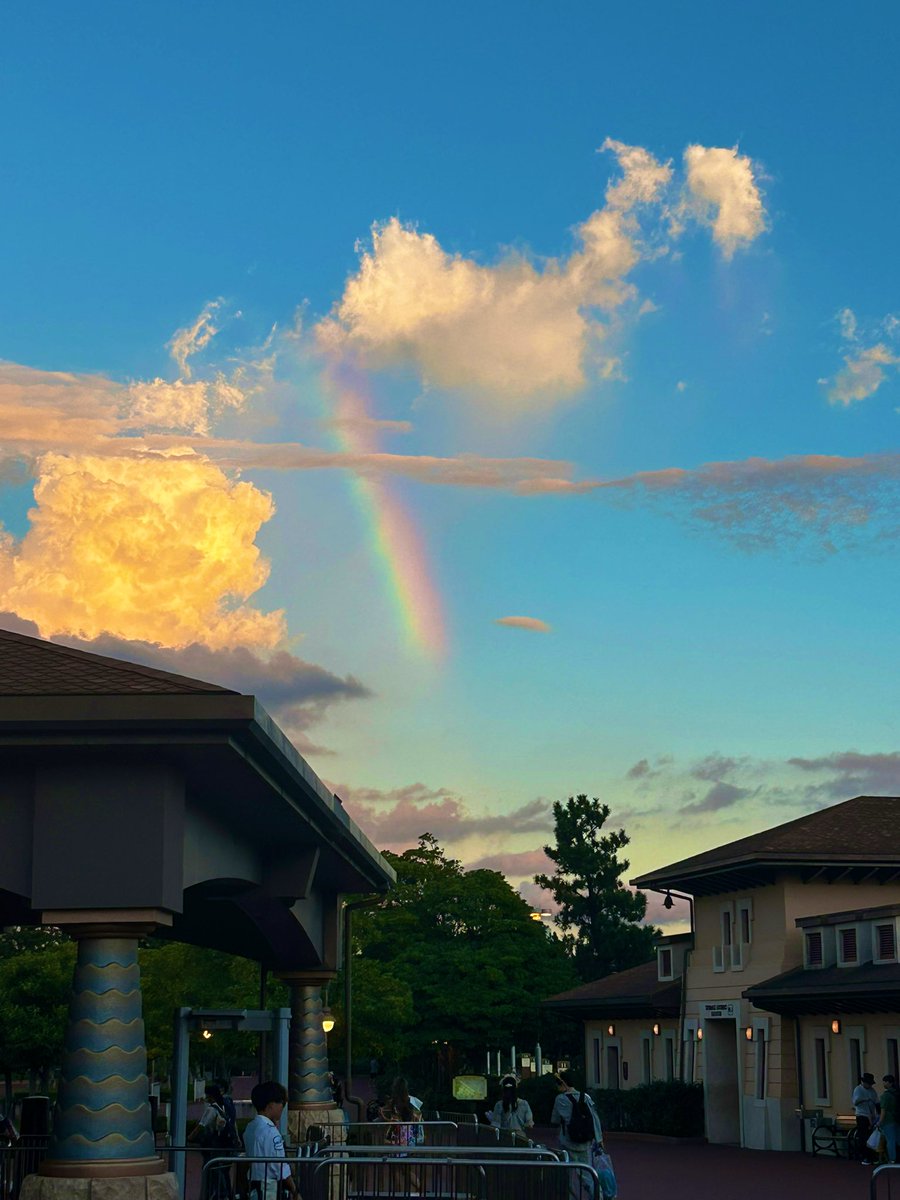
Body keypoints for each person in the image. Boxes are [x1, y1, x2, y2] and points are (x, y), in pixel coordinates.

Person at [243, 1081, 297, 1200]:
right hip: (269, 1188)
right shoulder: (270, 1132)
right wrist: (295, 1191)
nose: (283, 1108)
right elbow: (280, 1166)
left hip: (253, 1185)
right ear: (271, 1105)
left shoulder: (250, 1127)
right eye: (282, 1103)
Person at [551, 1070, 602, 1193]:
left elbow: (555, 1119)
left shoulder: (560, 1099)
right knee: (587, 1174)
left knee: (566, 1176)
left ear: (563, 1084)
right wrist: (599, 1139)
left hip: (567, 1141)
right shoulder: (586, 1097)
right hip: (585, 1142)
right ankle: (597, 1195)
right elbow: (595, 1118)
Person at [487, 1075, 534, 1140]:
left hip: (504, 1137)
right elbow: (529, 1124)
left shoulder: (499, 1105)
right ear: (516, 1089)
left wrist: (492, 1120)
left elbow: (495, 1126)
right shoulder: (524, 1103)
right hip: (520, 1137)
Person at [852, 1071, 880, 1163]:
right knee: (863, 1136)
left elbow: (876, 1102)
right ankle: (865, 1155)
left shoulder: (872, 1091)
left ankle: (871, 1155)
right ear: (864, 1082)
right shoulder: (858, 1089)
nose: (869, 1085)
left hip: (871, 1115)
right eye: (868, 1083)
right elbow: (855, 1102)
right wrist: (864, 1099)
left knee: (871, 1136)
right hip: (862, 1115)